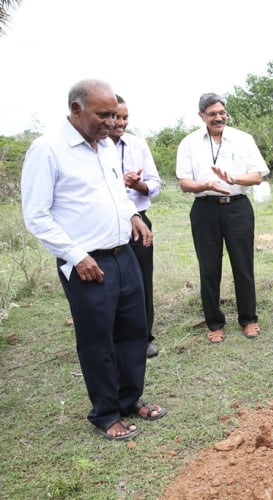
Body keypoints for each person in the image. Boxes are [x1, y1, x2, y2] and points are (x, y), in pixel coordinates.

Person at [21, 79, 167, 441]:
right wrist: (75, 255)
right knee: (98, 341)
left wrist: (132, 217)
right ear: (75, 109)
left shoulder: (104, 147)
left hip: (124, 255)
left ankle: (130, 399)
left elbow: (114, 193)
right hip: (88, 265)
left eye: (115, 115)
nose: (111, 122)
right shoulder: (48, 150)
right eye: (103, 115)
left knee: (133, 332)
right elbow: (36, 215)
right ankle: (105, 412)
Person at [176, 93, 269, 343]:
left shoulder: (243, 139)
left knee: (243, 264)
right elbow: (184, 182)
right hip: (204, 208)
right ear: (201, 116)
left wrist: (234, 179)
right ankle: (214, 323)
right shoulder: (189, 143)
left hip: (237, 207)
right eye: (212, 114)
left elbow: (258, 176)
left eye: (221, 112)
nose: (218, 118)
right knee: (209, 267)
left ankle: (249, 319)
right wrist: (203, 185)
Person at [109, 95, 162, 358]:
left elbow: (154, 184)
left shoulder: (137, 145)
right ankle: (114, 338)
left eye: (124, 117)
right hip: (107, 222)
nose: (120, 122)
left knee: (141, 280)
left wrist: (137, 185)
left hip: (139, 220)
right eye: (115, 117)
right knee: (111, 282)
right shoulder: (94, 146)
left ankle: (143, 338)